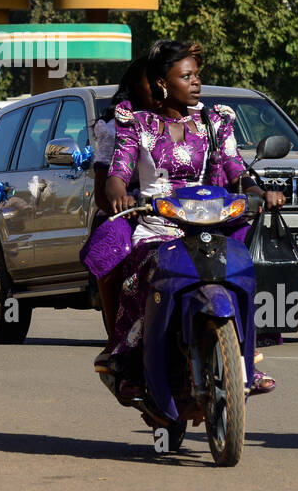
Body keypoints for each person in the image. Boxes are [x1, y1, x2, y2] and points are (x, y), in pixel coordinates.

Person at [102, 39, 283, 396]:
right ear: (162, 84)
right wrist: (119, 194)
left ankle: (243, 359)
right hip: (159, 225)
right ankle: (134, 367)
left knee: (242, 270)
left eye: (197, 75)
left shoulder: (217, 122)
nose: (196, 82)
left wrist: (260, 193)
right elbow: (116, 174)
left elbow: (237, 174)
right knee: (143, 274)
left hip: (212, 224)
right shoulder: (136, 124)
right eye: (186, 76)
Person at [80, 58, 153, 341]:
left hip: (180, 211)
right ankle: (117, 340)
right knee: (112, 242)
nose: (162, 88)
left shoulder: (195, 120)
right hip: (128, 211)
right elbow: (102, 194)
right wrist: (124, 202)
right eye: (154, 80)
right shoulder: (114, 127)